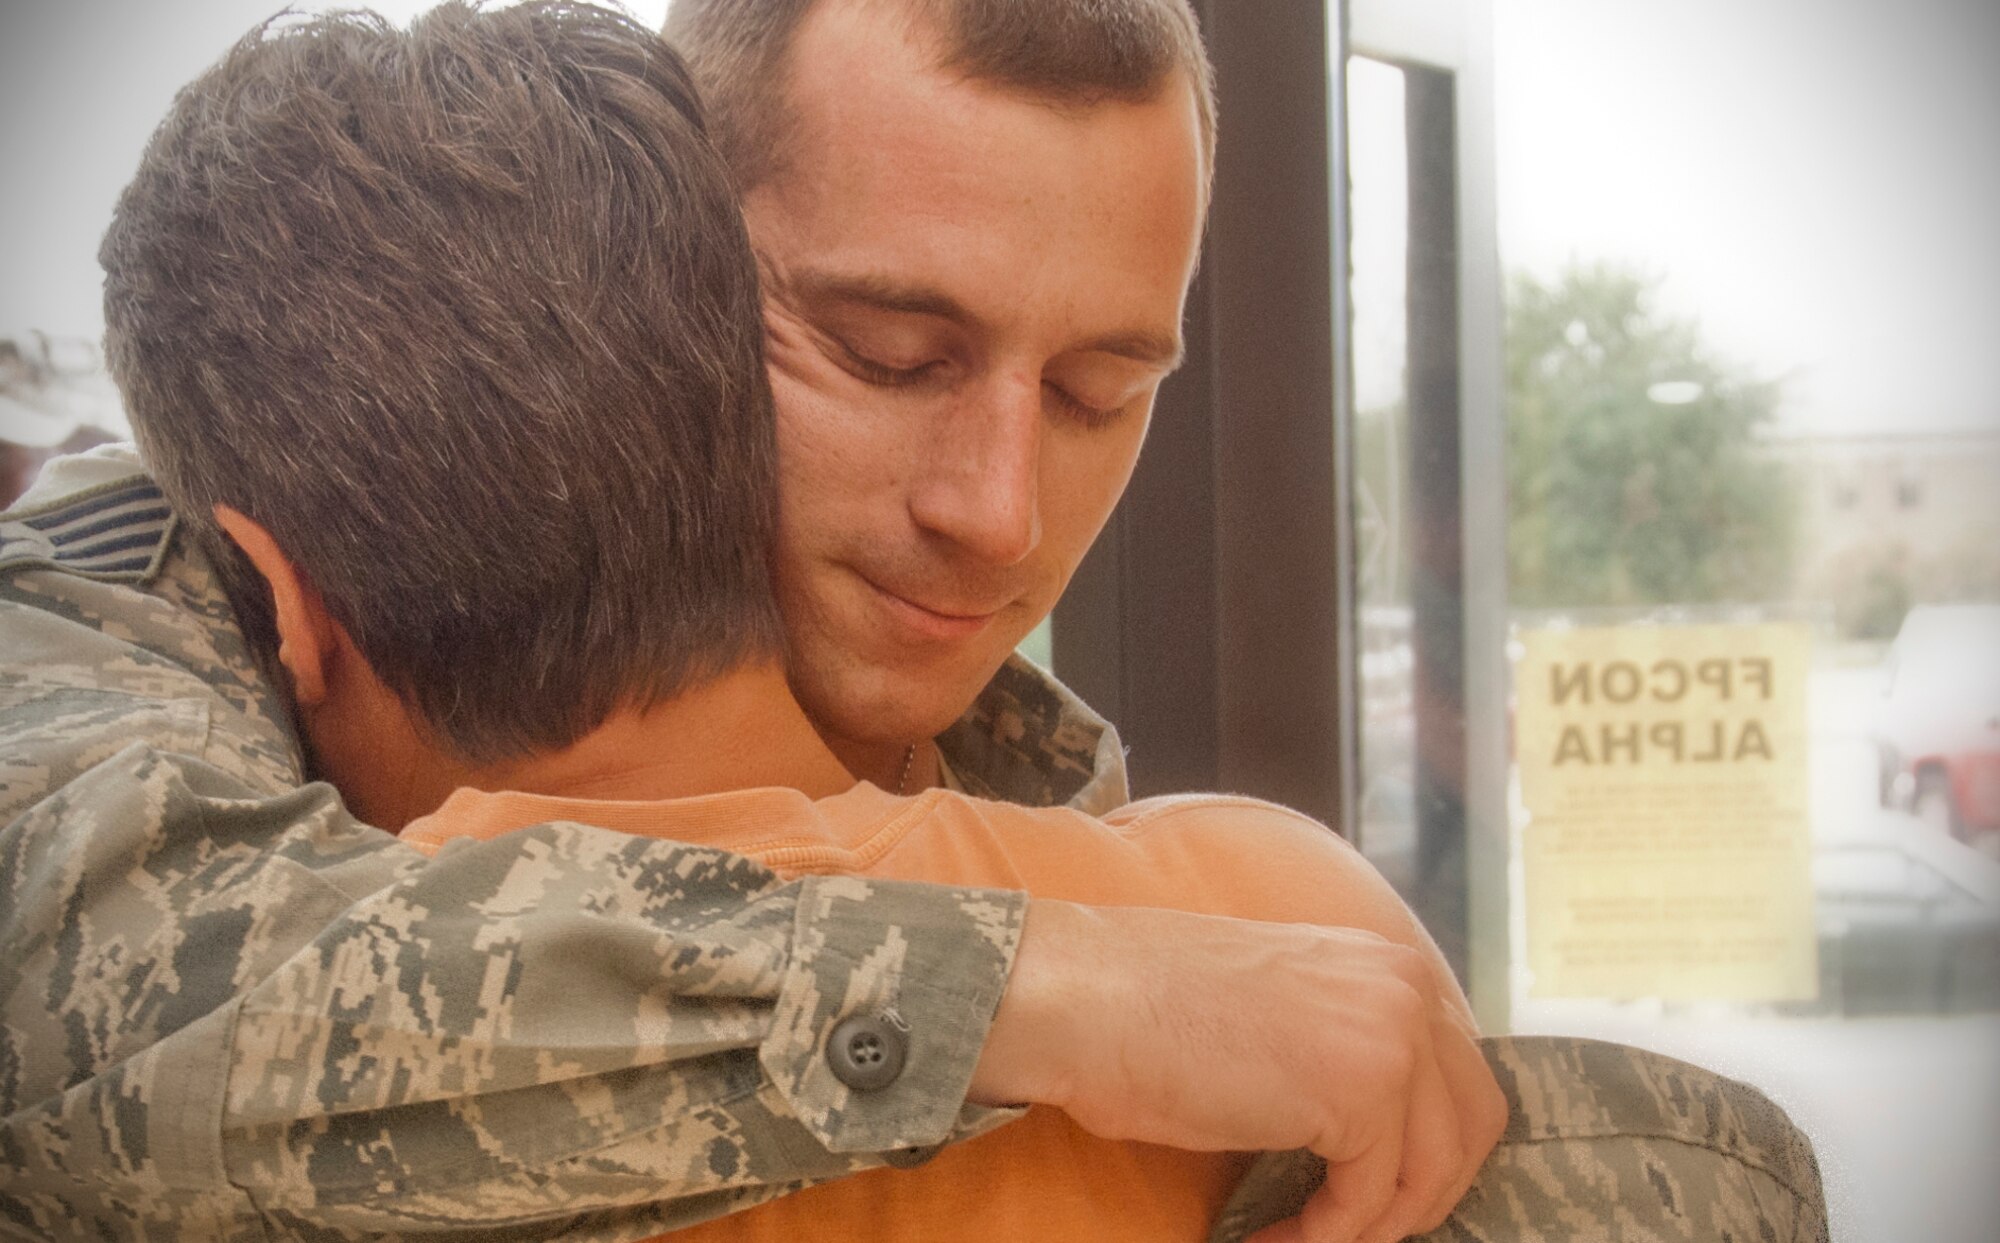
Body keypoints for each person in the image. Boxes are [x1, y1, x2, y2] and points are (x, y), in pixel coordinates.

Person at [0, 2, 1826, 1242]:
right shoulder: (149, 598)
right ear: (670, 278)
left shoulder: (1213, 902)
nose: (997, 511)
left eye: (1106, 390)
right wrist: (1050, 986)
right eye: (890, 352)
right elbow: (112, 1030)